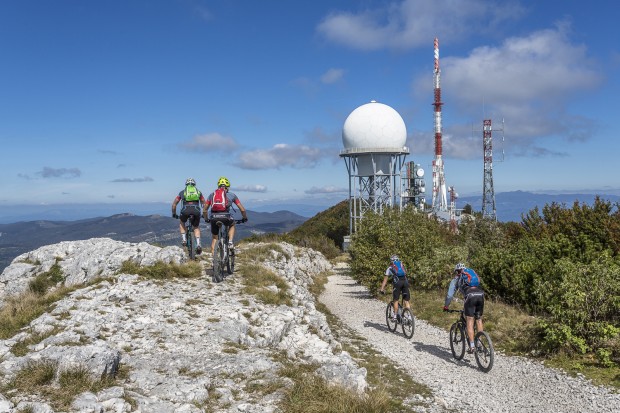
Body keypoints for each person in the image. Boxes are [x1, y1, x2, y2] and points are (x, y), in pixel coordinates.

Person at [443, 262, 485, 353]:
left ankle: (472, 346)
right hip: (481, 294)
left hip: (470, 296)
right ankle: (480, 343)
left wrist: (446, 306)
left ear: (456, 271)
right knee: (478, 319)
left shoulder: (456, 279)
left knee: (469, 320)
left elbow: (450, 295)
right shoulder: (470, 276)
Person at [202, 176, 248, 255]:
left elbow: (205, 209)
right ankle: (230, 242)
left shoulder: (212, 195)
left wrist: (206, 219)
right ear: (228, 187)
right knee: (232, 224)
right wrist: (244, 218)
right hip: (226, 216)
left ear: (218, 186)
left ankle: (214, 261)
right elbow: (242, 209)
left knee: (214, 238)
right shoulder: (232, 195)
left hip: (213, 217)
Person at [171, 178, 206, 255]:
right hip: (196, 211)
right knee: (196, 227)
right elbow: (204, 203)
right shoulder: (198, 192)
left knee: (182, 222)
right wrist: (204, 213)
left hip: (185, 211)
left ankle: (184, 239)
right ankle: (198, 244)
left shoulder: (182, 192)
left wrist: (174, 214)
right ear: (194, 185)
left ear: (186, 185)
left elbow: (174, 204)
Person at [379, 255, 411, 321]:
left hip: (398, 284)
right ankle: (410, 316)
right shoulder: (402, 265)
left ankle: (395, 316)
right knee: (406, 300)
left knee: (395, 300)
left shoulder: (390, 268)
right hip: (405, 282)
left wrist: (382, 289)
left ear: (391, 261)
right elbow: (405, 273)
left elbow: (385, 280)